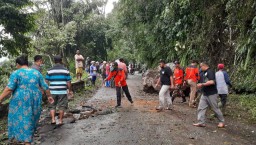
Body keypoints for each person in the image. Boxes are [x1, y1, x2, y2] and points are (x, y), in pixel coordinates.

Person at [0, 55, 54, 145]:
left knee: (22, 119)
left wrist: (0, 98)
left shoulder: (16, 73)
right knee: (31, 119)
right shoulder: (36, 73)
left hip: (20, 100)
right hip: (35, 99)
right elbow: (45, 86)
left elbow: (9, 88)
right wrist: (49, 96)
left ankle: (26, 141)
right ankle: (27, 140)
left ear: (18, 64)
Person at [193, 61, 225, 128]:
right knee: (201, 108)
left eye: (201, 66)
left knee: (215, 108)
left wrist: (202, 84)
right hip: (204, 93)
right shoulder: (202, 72)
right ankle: (201, 122)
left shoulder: (210, 72)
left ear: (205, 66)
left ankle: (221, 121)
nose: (200, 68)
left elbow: (212, 82)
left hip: (211, 93)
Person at [45, 55, 72, 125]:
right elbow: (68, 82)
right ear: (61, 61)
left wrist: (47, 91)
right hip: (62, 91)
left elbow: (46, 82)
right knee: (62, 106)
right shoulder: (65, 70)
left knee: (52, 105)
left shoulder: (49, 70)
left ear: (54, 61)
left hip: (52, 91)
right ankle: (60, 120)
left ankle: (53, 119)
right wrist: (70, 90)